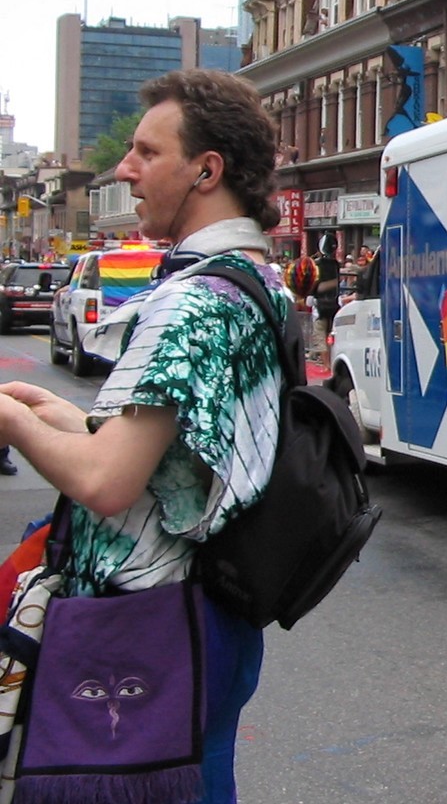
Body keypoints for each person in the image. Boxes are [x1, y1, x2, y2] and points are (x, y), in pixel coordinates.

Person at [0, 69, 284, 802]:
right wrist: (59, 418)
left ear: (205, 169)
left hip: (151, 625)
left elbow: (108, 482)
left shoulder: (192, 303)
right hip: (216, 616)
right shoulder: (257, 280)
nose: (124, 168)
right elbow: (171, 453)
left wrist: (6, 421)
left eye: (145, 153)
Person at [313, 235, 341, 367]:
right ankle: (330, 363)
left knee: (321, 337)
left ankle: (326, 365)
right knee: (330, 335)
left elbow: (316, 288)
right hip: (334, 304)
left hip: (320, 307)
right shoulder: (335, 265)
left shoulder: (317, 265)